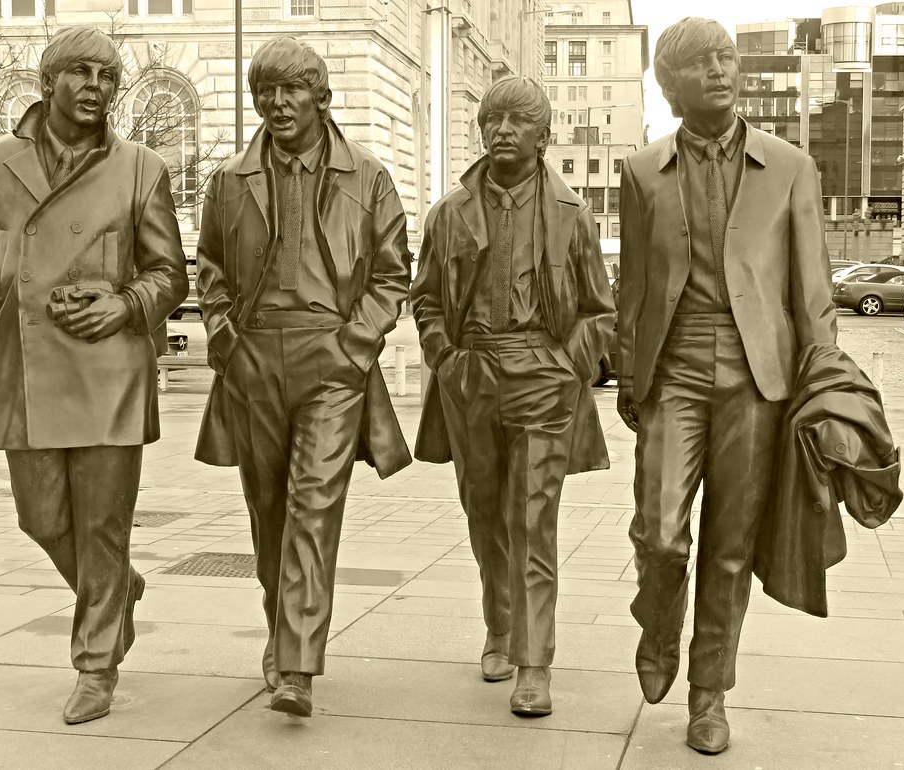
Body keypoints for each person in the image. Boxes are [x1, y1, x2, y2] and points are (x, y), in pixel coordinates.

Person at [0, 27, 188, 724]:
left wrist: (125, 303)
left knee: (104, 525)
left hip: (110, 368)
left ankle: (96, 663)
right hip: (26, 368)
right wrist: (7, 274)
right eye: (80, 73)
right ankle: (118, 589)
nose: (96, 87)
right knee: (41, 517)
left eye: (108, 77)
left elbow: (169, 274)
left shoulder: (140, 167)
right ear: (48, 82)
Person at [617, 18, 838, 754]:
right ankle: (658, 623)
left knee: (731, 545)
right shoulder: (642, 172)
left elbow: (813, 294)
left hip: (756, 376)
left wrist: (824, 386)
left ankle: (708, 693)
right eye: (700, 63)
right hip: (673, 367)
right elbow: (633, 286)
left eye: (726, 58)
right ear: (671, 84)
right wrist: (629, 372)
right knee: (660, 533)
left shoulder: (791, 167)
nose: (719, 70)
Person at [193, 36, 412, 718]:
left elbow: (392, 276)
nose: (277, 102)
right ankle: (280, 627)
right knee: (268, 511)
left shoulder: (368, 177)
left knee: (313, 507)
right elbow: (209, 269)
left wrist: (355, 345)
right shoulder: (229, 180)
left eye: (291, 89)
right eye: (266, 91)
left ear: (321, 97)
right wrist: (224, 336)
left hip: (332, 360)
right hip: (254, 357)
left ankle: (296, 664)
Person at [411, 76, 615, 717]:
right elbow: (425, 300)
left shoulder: (572, 215)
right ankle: (499, 626)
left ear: (543, 136)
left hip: (542, 375)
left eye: (517, 121)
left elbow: (600, 310)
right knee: (484, 514)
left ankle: (534, 661)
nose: (501, 130)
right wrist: (446, 359)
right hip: (471, 374)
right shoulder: (449, 214)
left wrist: (566, 366)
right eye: (492, 120)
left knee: (532, 518)